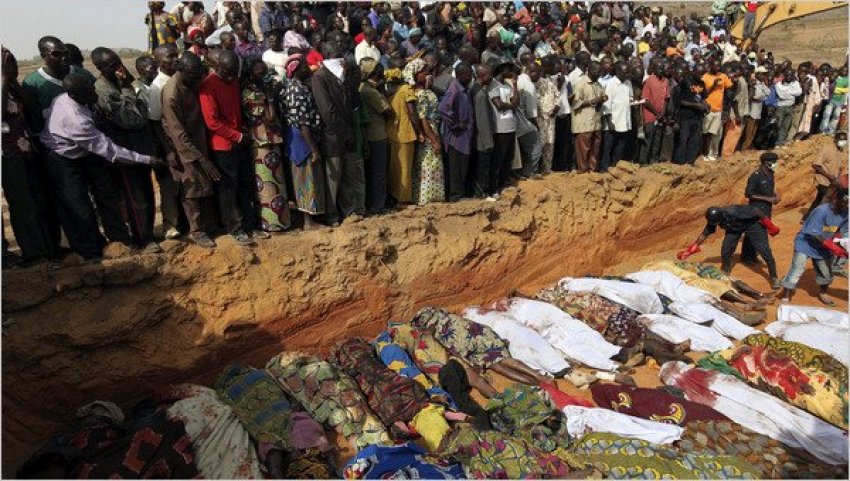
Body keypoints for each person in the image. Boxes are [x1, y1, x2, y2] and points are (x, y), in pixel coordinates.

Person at [40, 72, 162, 260]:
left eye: (92, 87)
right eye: (89, 92)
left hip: (83, 151)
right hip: (62, 157)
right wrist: (147, 160)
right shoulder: (76, 120)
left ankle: (120, 242)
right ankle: (91, 251)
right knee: (78, 204)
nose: (95, 93)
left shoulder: (68, 98)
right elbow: (111, 151)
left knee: (107, 195)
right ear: (75, 96)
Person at [91, 47, 160, 253]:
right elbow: (130, 119)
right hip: (124, 152)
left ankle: (146, 233)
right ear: (100, 68)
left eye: (118, 61)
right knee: (135, 197)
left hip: (138, 148)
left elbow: (141, 113)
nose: (118, 67)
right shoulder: (103, 89)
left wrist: (127, 87)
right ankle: (143, 239)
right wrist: (127, 88)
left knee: (146, 194)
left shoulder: (119, 84)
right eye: (112, 65)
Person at [199, 49, 265, 245]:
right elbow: (212, 122)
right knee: (229, 190)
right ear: (218, 67)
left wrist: (242, 132)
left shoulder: (233, 80)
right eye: (228, 72)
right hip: (224, 146)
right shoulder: (207, 86)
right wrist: (236, 136)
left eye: (234, 72)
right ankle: (234, 228)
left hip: (240, 141)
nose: (231, 76)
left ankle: (250, 224)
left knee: (245, 185)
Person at [1, 47, 57, 265]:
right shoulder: (3, 86)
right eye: (7, 62)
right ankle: (33, 253)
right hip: (6, 154)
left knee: (37, 200)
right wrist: (3, 78)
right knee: (22, 203)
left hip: (25, 149)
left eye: (12, 61)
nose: (11, 65)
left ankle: (47, 249)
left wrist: (10, 80)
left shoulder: (13, 87)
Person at [162, 52, 219, 248]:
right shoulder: (172, 93)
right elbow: (178, 133)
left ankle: (208, 224)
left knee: (205, 184)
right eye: (194, 75)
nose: (198, 79)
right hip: (184, 147)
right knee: (192, 188)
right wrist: (201, 158)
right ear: (182, 71)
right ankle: (197, 230)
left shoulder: (190, 82)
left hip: (199, 138)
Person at [312, 42, 366, 222]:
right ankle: (331, 215)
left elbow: (353, 103)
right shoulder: (320, 77)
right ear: (327, 54)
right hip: (334, 136)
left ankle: (349, 211)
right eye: (337, 53)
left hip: (348, 135)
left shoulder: (343, 76)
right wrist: (346, 133)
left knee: (348, 177)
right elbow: (328, 112)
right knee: (332, 179)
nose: (341, 56)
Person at [780, 177, 848, 305]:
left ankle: (823, 294)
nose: (846, 206)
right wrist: (833, 247)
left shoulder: (846, 214)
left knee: (826, 273)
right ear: (836, 199)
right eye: (844, 203)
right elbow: (814, 233)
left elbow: (845, 231)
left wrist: (844, 245)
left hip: (824, 247)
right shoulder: (821, 211)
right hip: (806, 243)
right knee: (797, 269)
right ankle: (786, 296)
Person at [677, 205, 781, 288]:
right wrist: (691, 249)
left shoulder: (735, 211)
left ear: (721, 217)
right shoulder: (714, 218)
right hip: (734, 228)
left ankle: (774, 277)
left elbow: (757, 211)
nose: (714, 224)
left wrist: (770, 226)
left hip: (751, 225)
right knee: (726, 249)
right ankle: (726, 269)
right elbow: (704, 234)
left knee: (764, 250)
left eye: (716, 223)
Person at [242, 59, 291, 233]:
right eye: (260, 73)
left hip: (272, 139)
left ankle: (282, 221)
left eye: (265, 72)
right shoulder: (250, 91)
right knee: (266, 184)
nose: (264, 76)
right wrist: (271, 97)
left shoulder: (262, 88)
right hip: (261, 140)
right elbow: (269, 117)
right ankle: (270, 223)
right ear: (251, 73)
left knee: (277, 181)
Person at [282, 54, 327, 230]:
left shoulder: (298, 86)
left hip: (303, 137)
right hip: (301, 140)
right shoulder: (295, 90)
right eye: (305, 66)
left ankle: (311, 218)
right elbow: (302, 123)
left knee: (308, 179)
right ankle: (308, 222)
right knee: (304, 180)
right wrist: (313, 149)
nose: (309, 69)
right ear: (297, 70)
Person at [147, 44, 185, 241]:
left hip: (183, 140)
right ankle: (170, 225)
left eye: (175, 55)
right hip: (168, 143)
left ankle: (184, 222)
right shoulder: (157, 87)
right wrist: (168, 150)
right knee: (170, 187)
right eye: (169, 57)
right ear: (158, 61)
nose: (175, 59)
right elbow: (154, 122)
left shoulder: (179, 78)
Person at [407, 58, 445, 205]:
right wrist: (433, 139)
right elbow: (422, 119)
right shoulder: (421, 94)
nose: (427, 74)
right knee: (429, 164)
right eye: (424, 72)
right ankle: (427, 198)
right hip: (430, 130)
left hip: (433, 128)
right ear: (416, 75)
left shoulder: (424, 90)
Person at [358, 58, 391, 214]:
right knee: (379, 172)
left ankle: (372, 204)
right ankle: (378, 206)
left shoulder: (362, 87)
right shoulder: (370, 91)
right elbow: (387, 111)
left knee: (370, 173)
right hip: (377, 135)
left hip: (368, 136)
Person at [439, 62, 474, 202]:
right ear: (460, 75)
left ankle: (460, 193)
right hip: (455, 136)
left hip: (465, 135)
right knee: (456, 167)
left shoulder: (465, 89)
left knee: (462, 166)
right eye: (468, 75)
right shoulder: (454, 90)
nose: (471, 77)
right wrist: (455, 124)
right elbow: (443, 110)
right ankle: (455, 195)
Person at [741, 152, 780, 266]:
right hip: (755, 209)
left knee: (761, 231)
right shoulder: (755, 176)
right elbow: (749, 194)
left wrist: (776, 195)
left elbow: (771, 188)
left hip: (766, 209)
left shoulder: (770, 173)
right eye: (773, 162)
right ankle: (747, 257)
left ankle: (752, 255)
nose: (775, 164)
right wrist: (768, 199)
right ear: (766, 162)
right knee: (753, 232)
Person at [803, 130, 847, 222]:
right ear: (835, 140)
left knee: (818, 200)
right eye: (841, 140)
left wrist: (837, 178)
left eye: (845, 140)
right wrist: (828, 176)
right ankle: (815, 220)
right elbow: (815, 165)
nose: (844, 142)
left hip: (832, 182)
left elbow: (839, 167)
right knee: (825, 201)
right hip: (823, 180)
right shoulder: (827, 149)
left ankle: (807, 218)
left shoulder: (841, 151)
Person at [571, 61, 606, 173]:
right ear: (590, 70)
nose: (599, 73)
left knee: (595, 149)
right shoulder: (581, 83)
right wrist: (593, 101)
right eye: (597, 71)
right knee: (583, 149)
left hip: (596, 122)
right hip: (583, 123)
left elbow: (600, 101)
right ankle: (583, 171)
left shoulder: (598, 84)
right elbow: (574, 103)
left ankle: (593, 170)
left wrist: (603, 99)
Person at [489, 60, 519, 188]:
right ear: (501, 70)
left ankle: (505, 182)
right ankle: (495, 186)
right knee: (499, 158)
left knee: (508, 157)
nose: (511, 72)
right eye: (508, 69)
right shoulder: (493, 85)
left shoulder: (507, 85)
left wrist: (515, 86)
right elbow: (499, 105)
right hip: (500, 128)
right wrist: (511, 105)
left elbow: (516, 103)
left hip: (511, 126)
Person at [470, 63, 497, 199]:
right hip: (482, 139)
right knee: (482, 168)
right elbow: (482, 120)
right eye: (489, 75)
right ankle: (481, 193)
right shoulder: (479, 94)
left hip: (478, 137)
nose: (491, 77)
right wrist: (488, 142)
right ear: (482, 76)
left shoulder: (477, 89)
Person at [600, 61, 633, 171]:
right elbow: (606, 104)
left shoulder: (628, 83)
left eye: (628, 72)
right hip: (613, 122)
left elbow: (630, 98)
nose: (627, 74)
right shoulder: (611, 84)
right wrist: (609, 122)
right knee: (608, 147)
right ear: (618, 71)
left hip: (625, 121)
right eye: (624, 72)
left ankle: (616, 167)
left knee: (620, 148)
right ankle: (604, 169)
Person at [673, 70, 707, 164]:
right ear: (694, 72)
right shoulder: (686, 82)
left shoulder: (702, 84)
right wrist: (695, 105)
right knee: (683, 140)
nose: (701, 75)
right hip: (684, 117)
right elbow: (680, 101)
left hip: (696, 117)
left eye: (702, 74)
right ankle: (679, 162)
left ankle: (690, 161)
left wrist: (704, 106)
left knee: (694, 140)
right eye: (699, 73)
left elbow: (704, 98)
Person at [700, 60, 732, 160]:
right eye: (716, 66)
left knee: (714, 134)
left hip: (718, 110)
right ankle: (704, 153)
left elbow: (729, 88)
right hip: (708, 109)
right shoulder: (705, 77)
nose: (718, 68)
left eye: (719, 66)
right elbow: (704, 93)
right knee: (705, 133)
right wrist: (714, 85)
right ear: (710, 65)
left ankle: (711, 153)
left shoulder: (723, 76)